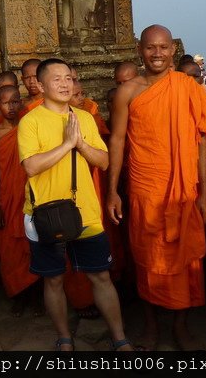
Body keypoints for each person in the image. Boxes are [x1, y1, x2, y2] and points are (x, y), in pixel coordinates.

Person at [107, 25, 206, 351]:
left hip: (185, 189)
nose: (157, 53)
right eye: (151, 47)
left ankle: (180, 328)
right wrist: (113, 190)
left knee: (186, 261)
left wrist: (205, 194)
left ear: (173, 49)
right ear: (140, 49)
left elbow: (201, 142)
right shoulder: (128, 91)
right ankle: (152, 328)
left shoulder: (189, 87)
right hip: (146, 187)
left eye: (163, 47)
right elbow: (117, 140)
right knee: (148, 258)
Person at [19, 58, 133, 352]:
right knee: (54, 280)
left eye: (68, 78)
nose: (64, 84)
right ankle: (65, 338)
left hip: (84, 211)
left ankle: (119, 339)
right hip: (45, 214)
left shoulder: (84, 118)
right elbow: (31, 166)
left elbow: (104, 160)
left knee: (100, 275)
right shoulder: (30, 121)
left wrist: (81, 144)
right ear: (41, 86)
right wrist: (67, 145)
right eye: (56, 79)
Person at [0, 85, 40, 316]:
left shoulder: (31, 128)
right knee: (11, 250)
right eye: (6, 102)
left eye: (15, 101)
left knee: (34, 246)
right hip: (7, 198)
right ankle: (18, 295)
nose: (11, 107)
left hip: (32, 196)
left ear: (21, 103)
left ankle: (37, 296)